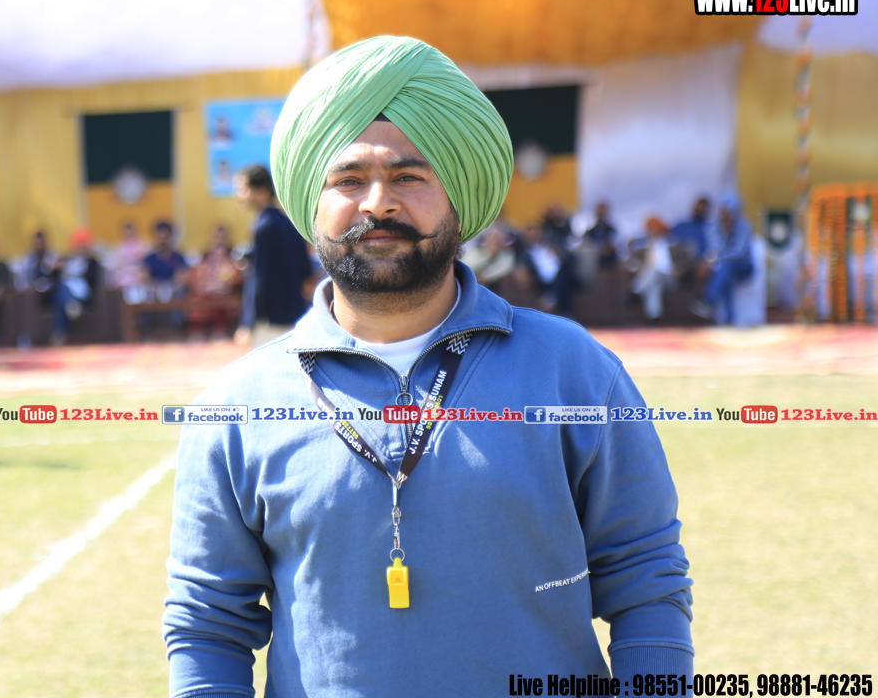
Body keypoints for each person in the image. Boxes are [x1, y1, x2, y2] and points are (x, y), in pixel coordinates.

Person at [163, 36, 693, 696]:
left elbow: (645, 580)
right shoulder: (237, 404)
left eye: (409, 177)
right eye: (348, 180)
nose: (377, 203)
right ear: (310, 203)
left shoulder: (573, 370)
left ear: (457, 197)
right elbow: (208, 625)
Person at [232, 165, 312, 346]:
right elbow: (304, 269)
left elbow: (260, 278)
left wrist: (248, 322)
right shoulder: (288, 221)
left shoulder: (263, 225)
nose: (238, 195)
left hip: (269, 319)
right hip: (295, 313)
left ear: (262, 192)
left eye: (243, 189)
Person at [690, 196, 754, 324]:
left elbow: (739, 253)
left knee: (726, 267)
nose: (726, 216)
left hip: (744, 266)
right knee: (727, 272)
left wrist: (718, 260)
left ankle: (709, 301)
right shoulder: (713, 226)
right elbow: (715, 248)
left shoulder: (744, 226)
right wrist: (724, 233)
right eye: (723, 213)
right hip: (724, 266)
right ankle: (729, 319)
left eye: (729, 213)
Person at [186, 226, 243, 340]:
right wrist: (206, 286)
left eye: (222, 237)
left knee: (224, 301)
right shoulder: (204, 257)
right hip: (205, 292)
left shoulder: (234, 256)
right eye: (217, 237)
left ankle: (220, 332)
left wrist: (225, 285)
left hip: (225, 293)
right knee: (196, 301)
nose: (219, 240)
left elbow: (237, 275)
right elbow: (195, 275)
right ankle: (197, 334)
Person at [49, 227, 103, 346]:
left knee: (62, 302)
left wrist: (75, 275)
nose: (80, 249)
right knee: (62, 290)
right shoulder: (66, 260)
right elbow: (52, 277)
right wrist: (56, 268)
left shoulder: (92, 262)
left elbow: (92, 279)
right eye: (78, 245)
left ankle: (58, 334)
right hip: (64, 291)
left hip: (81, 295)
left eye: (83, 246)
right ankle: (71, 305)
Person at [629, 215, 676, 322]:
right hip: (653, 278)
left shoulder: (673, 243)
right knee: (655, 284)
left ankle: (635, 292)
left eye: (656, 227)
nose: (653, 230)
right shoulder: (642, 247)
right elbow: (632, 263)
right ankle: (654, 318)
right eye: (651, 228)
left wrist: (679, 269)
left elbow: (687, 261)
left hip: (670, 278)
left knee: (656, 271)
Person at [584, 201, 619, 269]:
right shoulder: (589, 232)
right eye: (599, 214)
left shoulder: (612, 231)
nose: (601, 216)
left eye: (603, 214)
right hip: (594, 264)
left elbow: (614, 246)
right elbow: (587, 246)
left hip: (610, 263)